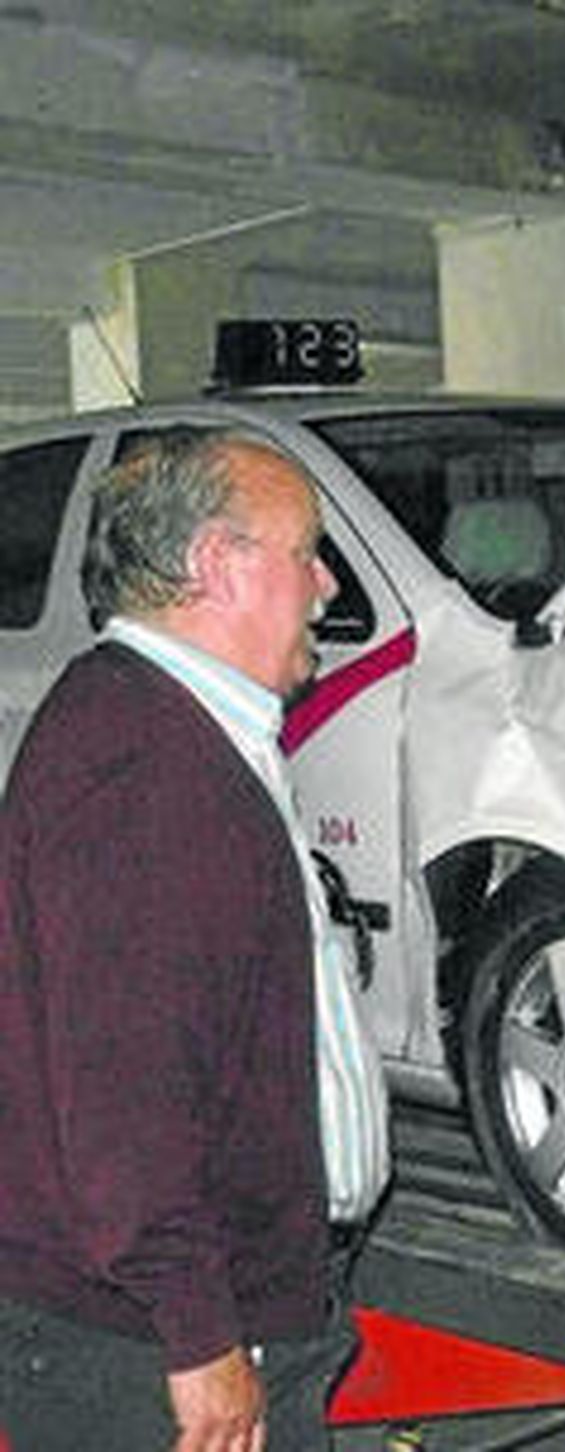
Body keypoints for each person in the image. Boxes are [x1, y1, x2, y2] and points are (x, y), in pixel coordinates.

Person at [0, 430, 391, 1450]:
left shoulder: (171, 728)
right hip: (146, 1348)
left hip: (197, 1315)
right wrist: (197, 1334)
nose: (325, 581)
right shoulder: (144, 763)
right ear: (217, 565)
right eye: (306, 549)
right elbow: (125, 1085)